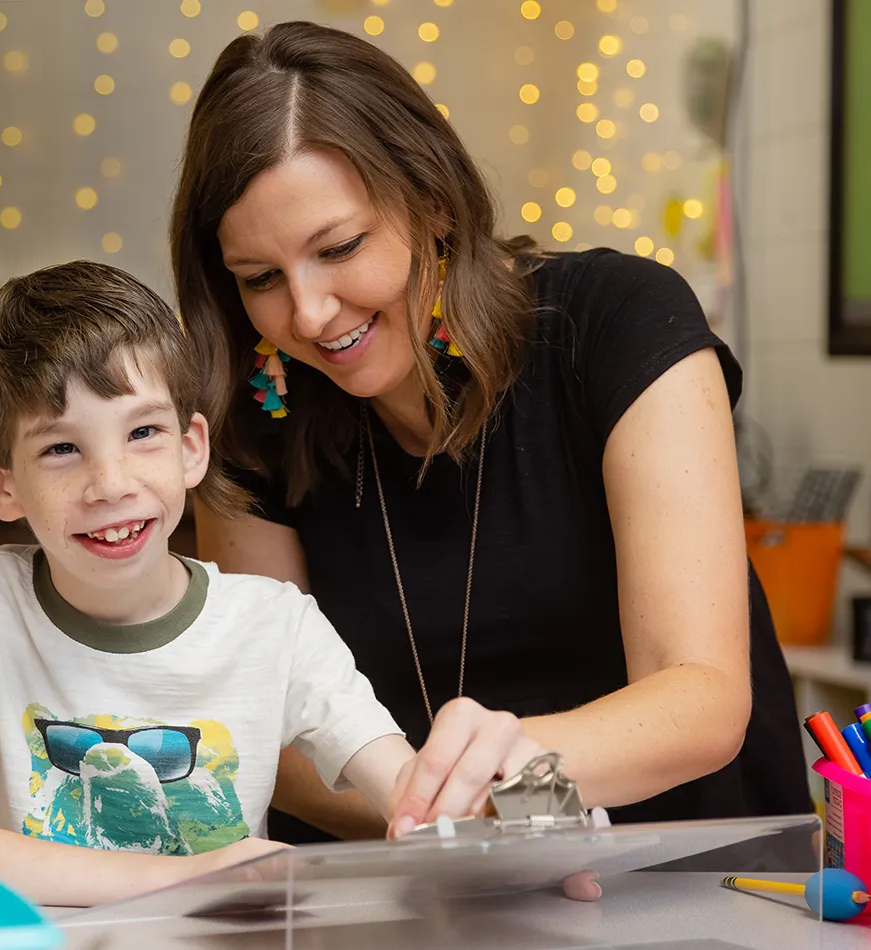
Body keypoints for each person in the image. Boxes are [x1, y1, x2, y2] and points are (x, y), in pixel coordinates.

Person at [171, 21, 810, 850]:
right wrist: (461, 824)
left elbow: (701, 700)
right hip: (429, 900)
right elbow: (275, 743)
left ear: (433, 201)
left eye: (340, 248)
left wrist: (498, 797)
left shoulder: (618, 320)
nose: (308, 314)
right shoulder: (259, 422)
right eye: (261, 279)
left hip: (692, 885)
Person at [0, 261, 548, 908]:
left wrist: (547, 837)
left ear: (192, 448)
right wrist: (186, 878)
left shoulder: (273, 623)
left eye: (144, 433)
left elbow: (411, 791)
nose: (113, 484)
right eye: (62, 448)